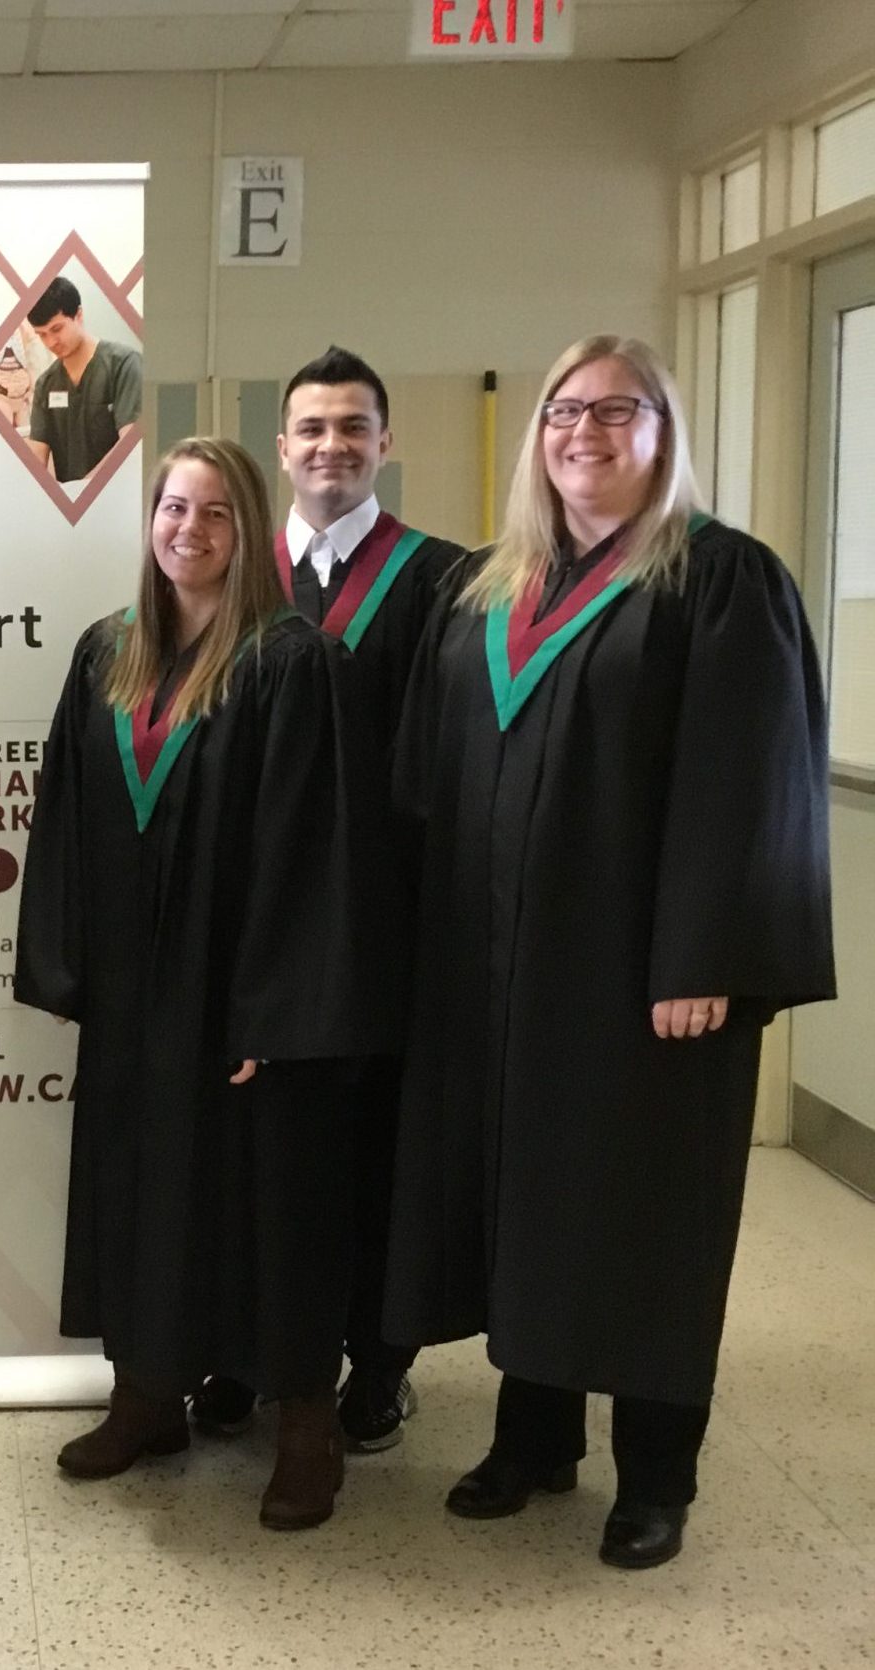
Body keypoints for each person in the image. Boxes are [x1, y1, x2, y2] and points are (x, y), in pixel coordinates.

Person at [387, 335, 834, 1570]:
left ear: (661, 429)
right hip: (500, 970)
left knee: (643, 1215)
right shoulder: (491, 587)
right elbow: (431, 783)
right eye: (564, 411)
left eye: (616, 410)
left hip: (643, 977)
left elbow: (747, 784)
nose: (585, 432)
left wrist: (705, 956)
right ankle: (534, 1435)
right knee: (528, 1203)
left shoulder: (720, 579)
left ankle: (657, 1473)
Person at [15, 438, 398, 1530]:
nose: (190, 528)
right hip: (140, 1003)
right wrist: (72, 966)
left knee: (271, 1208)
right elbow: (66, 825)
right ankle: (147, 1393)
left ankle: (304, 1427)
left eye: (217, 511)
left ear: (249, 528)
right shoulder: (107, 656)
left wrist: (278, 1012)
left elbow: (313, 853)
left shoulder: (289, 661)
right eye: (174, 507)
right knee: (140, 1192)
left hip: (241, 1007)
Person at [192, 348, 467, 1454]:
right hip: (261, 928)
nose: (331, 447)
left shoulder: (440, 578)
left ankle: (378, 1363)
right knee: (257, 1150)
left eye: (353, 428)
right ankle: (250, 1352)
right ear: (283, 448)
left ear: (384, 444)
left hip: (389, 929)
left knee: (382, 1152)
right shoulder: (230, 573)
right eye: (310, 429)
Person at [25, 275, 143, 484]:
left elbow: (130, 446)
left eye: (56, 329)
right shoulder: (46, 384)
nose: (51, 342)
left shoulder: (124, 364)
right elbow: (36, 459)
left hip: (118, 498)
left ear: (78, 315)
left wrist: (86, 491)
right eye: (41, 334)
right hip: (71, 508)